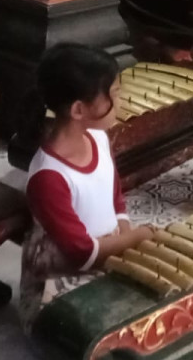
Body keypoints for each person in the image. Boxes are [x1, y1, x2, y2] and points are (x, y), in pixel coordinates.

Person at [19, 43, 154, 330]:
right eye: (114, 95)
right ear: (79, 109)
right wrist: (141, 236)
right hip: (62, 272)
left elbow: (114, 195)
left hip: (105, 249)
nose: (121, 101)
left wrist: (126, 234)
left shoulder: (98, 138)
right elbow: (82, 253)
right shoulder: (49, 176)